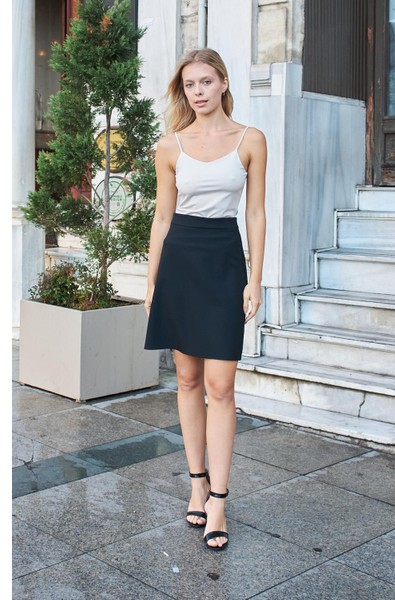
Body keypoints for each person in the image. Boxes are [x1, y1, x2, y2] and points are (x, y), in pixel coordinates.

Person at [144, 48, 266, 551]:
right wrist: (152, 283)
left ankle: (220, 497)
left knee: (221, 385)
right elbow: (162, 218)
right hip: (180, 262)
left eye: (206, 81)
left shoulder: (250, 139)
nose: (197, 91)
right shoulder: (170, 145)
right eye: (189, 84)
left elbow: (255, 213)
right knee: (188, 379)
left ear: (223, 83)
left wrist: (255, 279)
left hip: (223, 261)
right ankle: (197, 483)